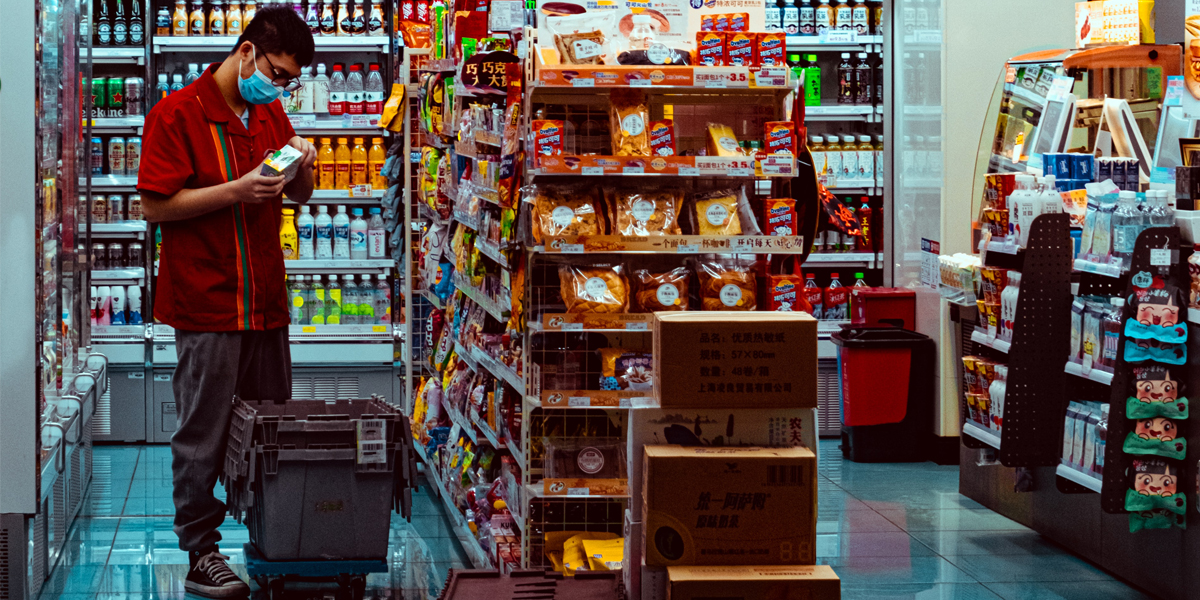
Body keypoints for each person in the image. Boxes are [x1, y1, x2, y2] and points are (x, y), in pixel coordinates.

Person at [135, 6, 315, 598]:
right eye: (277, 73)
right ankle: (200, 551)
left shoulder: (267, 112)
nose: (280, 87)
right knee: (203, 433)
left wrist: (303, 167)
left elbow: (299, 196)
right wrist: (236, 191)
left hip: (265, 299)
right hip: (208, 299)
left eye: (290, 80)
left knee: (270, 429)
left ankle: (274, 534)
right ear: (245, 52)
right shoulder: (177, 114)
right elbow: (155, 207)